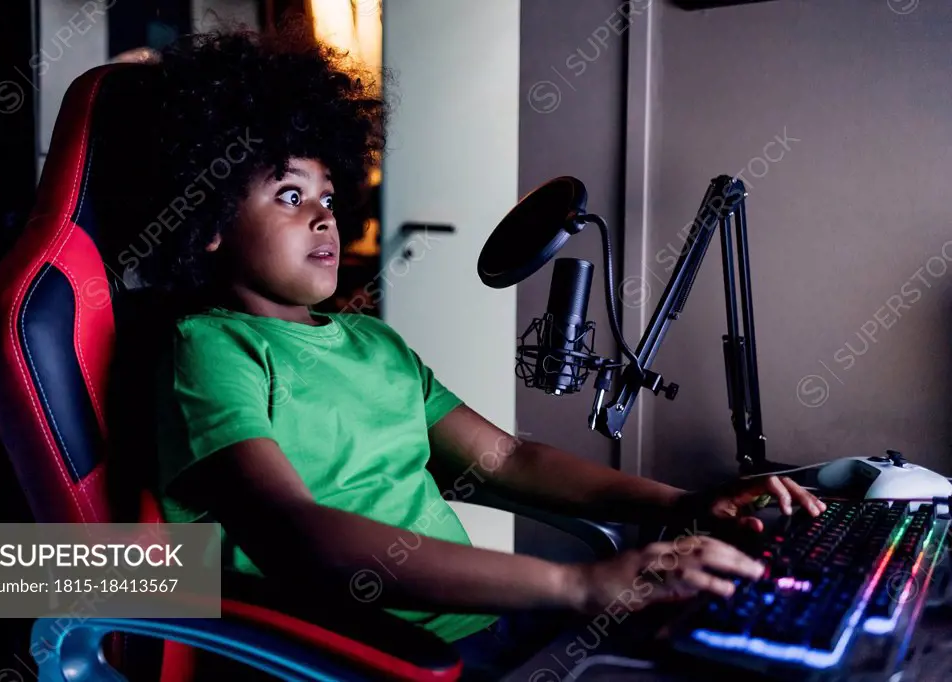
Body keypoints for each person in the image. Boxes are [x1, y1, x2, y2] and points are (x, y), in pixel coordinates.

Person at [138, 28, 825, 680]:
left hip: (484, 629)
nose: (325, 217)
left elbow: (508, 460)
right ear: (209, 224)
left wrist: (686, 504)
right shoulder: (211, 347)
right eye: (290, 195)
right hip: (371, 656)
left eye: (328, 195)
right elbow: (293, 531)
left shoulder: (371, 341)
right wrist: (578, 584)